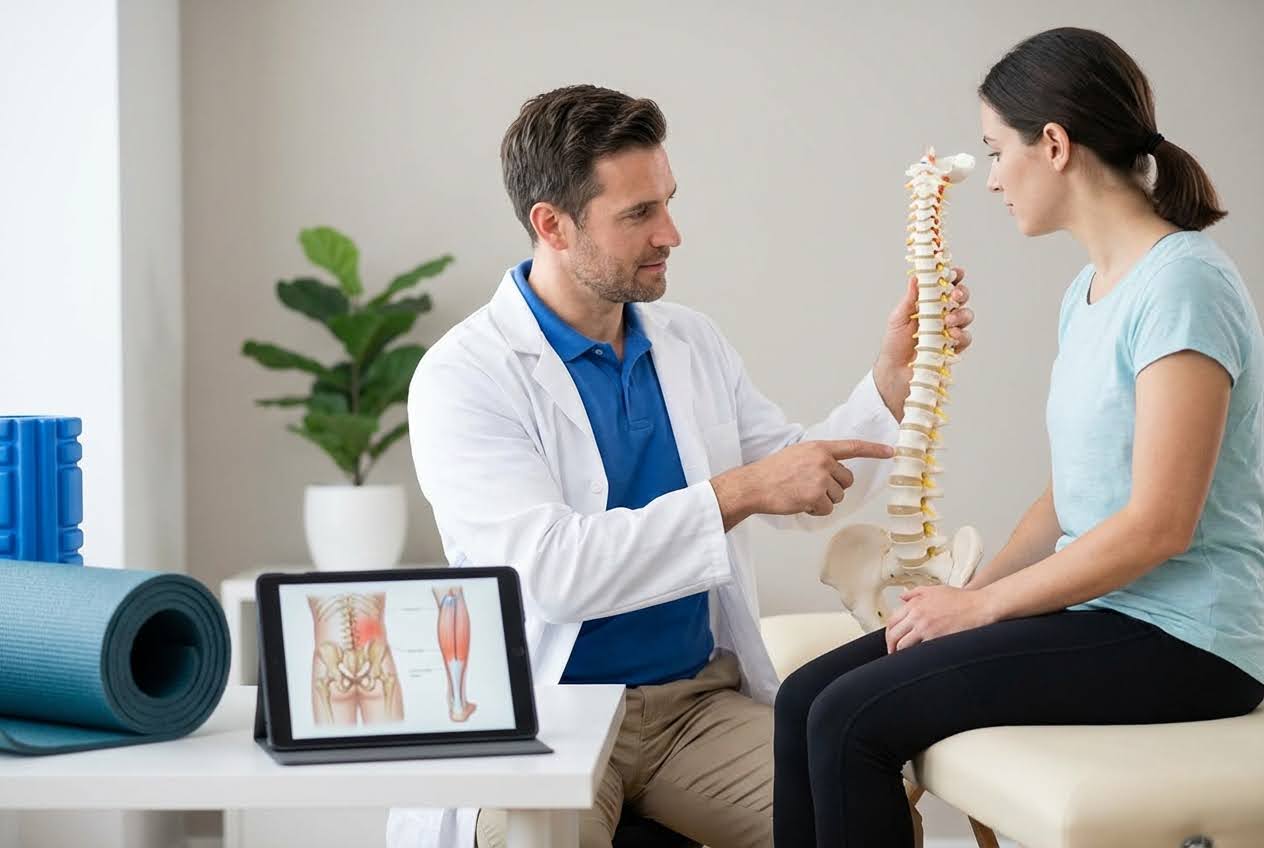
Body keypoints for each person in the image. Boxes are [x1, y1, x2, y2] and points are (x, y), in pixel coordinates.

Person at [386, 84, 975, 848]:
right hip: (551, 711)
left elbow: (795, 487)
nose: (672, 232)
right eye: (638, 214)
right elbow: (551, 574)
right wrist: (736, 493)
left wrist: (892, 382)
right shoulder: (465, 376)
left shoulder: (689, 343)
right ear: (552, 225)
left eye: (668, 201)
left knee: (861, 818)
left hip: (693, 707)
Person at [773, 26, 1264, 848]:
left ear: (1056, 145)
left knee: (853, 720)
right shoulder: (1091, 290)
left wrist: (985, 607)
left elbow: (1160, 524)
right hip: (1111, 616)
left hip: (1188, 639)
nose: (994, 178)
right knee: (803, 701)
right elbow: (1070, 494)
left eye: (997, 151)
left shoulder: (1183, 286)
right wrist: (972, 601)